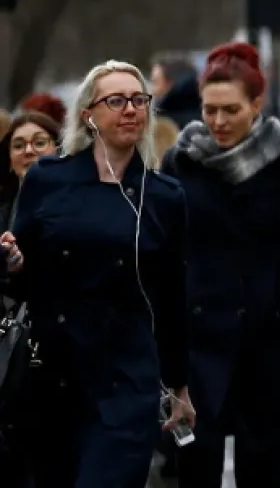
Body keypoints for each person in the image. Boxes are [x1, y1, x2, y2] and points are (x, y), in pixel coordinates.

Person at [0, 61, 194, 488]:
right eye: (116, 100)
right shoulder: (49, 180)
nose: (130, 109)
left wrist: (179, 386)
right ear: (88, 114)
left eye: (139, 100)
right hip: (55, 372)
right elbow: (21, 275)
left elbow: (172, 296)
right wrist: (13, 261)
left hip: (126, 378)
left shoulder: (163, 197)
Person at [163, 42, 280, 488]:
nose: (218, 122)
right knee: (194, 466)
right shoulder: (182, 158)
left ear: (257, 105)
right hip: (200, 343)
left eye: (231, 110)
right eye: (209, 109)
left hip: (268, 341)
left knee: (261, 470)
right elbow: (164, 246)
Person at [1, 109, 60, 231]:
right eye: (18, 146)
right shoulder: (3, 207)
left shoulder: (78, 201)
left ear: (59, 150)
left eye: (39, 143)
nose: (28, 151)